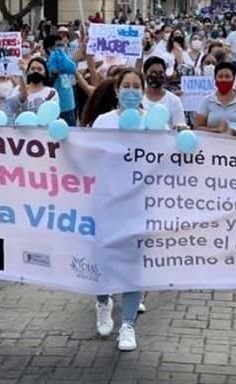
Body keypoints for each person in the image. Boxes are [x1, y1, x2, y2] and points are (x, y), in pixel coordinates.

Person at [89, 69, 148, 351]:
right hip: (106, 202)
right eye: (127, 85)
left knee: (132, 266)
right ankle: (102, 302)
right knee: (101, 259)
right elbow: (87, 155)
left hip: (139, 205)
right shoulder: (104, 121)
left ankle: (128, 324)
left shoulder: (152, 122)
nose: (132, 90)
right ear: (117, 90)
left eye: (137, 86)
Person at [194, 61, 236, 134]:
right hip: (212, 143)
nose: (224, 79)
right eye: (220, 76)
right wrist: (217, 130)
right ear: (215, 79)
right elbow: (197, 127)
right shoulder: (207, 100)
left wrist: (235, 131)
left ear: (234, 78)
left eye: (227, 76)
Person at [140, 56, 186, 129]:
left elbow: (180, 127)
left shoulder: (174, 101)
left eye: (160, 73)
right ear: (145, 75)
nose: (156, 75)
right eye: (153, 72)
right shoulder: (138, 98)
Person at [45, 34, 80, 126]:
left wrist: (83, 45)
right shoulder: (45, 65)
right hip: (54, 107)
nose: (61, 48)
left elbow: (74, 61)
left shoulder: (65, 61)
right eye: (58, 46)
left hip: (69, 105)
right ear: (50, 49)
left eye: (62, 45)